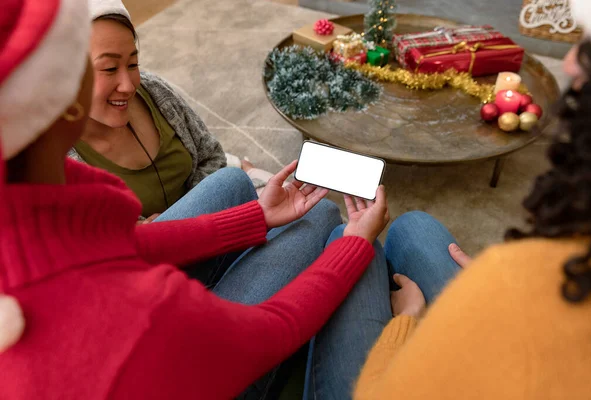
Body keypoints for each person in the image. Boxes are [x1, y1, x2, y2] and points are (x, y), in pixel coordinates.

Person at [0, 1, 392, 399]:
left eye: (132, 64)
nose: (127, 84)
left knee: (234, 184)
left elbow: (129, 242)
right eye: (102, 69)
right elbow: (270, 331)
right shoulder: (143, 310)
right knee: (326, 218)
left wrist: (255, 216)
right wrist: (355, 246)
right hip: (211, 362)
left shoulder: (37, 220)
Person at [304, 1, 591, 399]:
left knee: (353, 240)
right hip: (518, 324)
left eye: (588, 49)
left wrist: (408, 321)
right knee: (413, 228)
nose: (569, 64)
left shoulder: (521, 279)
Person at [69, 0, 273, 222]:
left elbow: (211, 156)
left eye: (132, 64)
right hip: (164, 254)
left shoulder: (154, 91)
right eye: (109, 68)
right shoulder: (55, 163)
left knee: (315, 209)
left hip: (221, 224)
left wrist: (193, 209)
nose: (128, 86)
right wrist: (165, 232)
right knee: (234, 181)